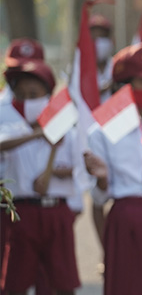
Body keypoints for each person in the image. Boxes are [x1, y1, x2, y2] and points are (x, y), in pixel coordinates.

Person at [83, 43, 142, 295]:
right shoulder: (101, 132)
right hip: (125, 222)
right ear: (125, 86)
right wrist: (102, 180)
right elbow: (99, 199)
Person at [0, 58, 80, 295]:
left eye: (33, 94)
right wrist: (38, 134)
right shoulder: (15, 129)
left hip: (56, 211)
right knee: (14, 282)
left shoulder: (68, 130)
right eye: (21, 94)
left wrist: (54, 172)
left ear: (47, 95)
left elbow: (79, 167)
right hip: (22, 212)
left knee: (62, 282)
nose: (27, 100)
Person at [89, 13, 114, 102]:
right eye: (94, 37)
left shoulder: (117, 67)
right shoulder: (78, 70)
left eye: (102, 36)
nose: (99, 42)